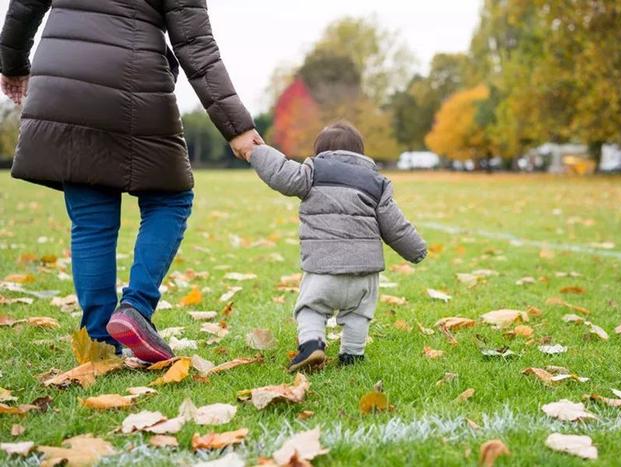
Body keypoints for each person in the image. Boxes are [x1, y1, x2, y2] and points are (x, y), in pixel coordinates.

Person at [0, 0, 263, 362]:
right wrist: (237, 128)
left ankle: (98, 341)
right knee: (171, 199)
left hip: (61, 82)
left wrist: (12, 65)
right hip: (134, 84)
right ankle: (135, 307)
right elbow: (196, 47)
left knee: (92, 220)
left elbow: (23, 7)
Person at [244, 121, 427, 371]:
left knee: (311, 308)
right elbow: (396, 226)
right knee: (358, 315)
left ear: (321, 151)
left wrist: (258, 151)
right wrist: (416, 250)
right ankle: (352, 355)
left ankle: (312, 345)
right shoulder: (377, 182)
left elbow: (281, 173)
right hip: (365, 274)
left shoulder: (314, 171)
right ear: (360, 153)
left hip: (324, 268)